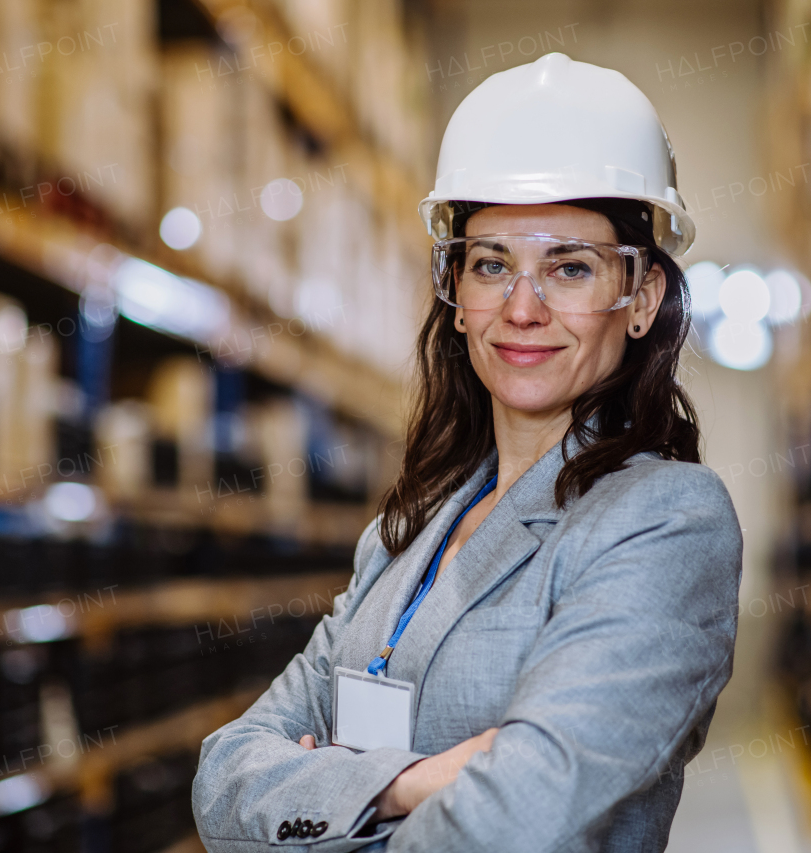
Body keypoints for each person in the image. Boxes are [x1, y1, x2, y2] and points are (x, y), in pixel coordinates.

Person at [192, 52, 742, 852]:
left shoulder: (666, 522)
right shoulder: (403, 534)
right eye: (491, 265)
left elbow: (516, 818)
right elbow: (222, 778)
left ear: (641, 299)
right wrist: (408, 782)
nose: (523, 307)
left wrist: (326, 795)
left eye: (570, 267)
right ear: (455, 296)